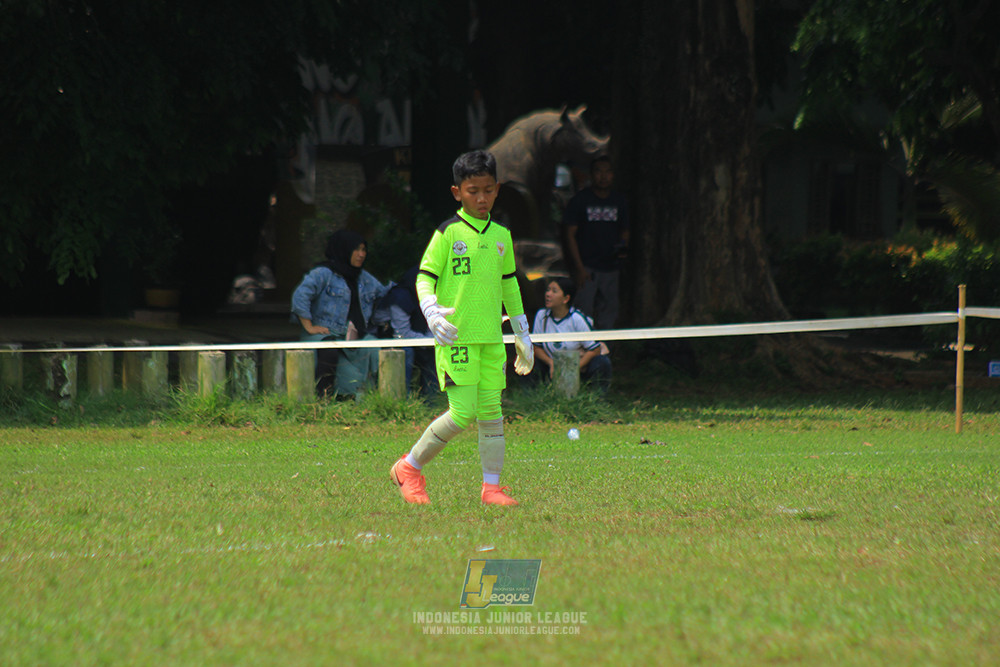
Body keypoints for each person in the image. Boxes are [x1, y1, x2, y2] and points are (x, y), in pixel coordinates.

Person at [388, 150, 534, 506]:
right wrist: (430, 310)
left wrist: (522, 332)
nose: (481, 198)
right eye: (473, 191)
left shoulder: (501, 236)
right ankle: (408, 467)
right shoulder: (447, 233)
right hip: (457, 339)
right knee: (462, 412)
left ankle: (492, 489)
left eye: (487, 190)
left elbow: (510, 284)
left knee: (491, 413)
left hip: (491, 341)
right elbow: (425, 277)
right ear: (457, 192)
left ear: (497, 189)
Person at [291, 229, 390, 398]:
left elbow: (386, 294)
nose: (361, 254)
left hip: (353, 336)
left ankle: (385, 399)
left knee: (378, 348)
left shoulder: (364, 277)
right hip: (325, 334)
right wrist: (309, 326)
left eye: (364, 250)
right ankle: (323, 400)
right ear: (344, 249)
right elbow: (300, 296)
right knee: (333, 355)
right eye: (356, 249)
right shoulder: (323, 273)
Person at [562, 155, 629, 330]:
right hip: (587, 268)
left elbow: (625, 230)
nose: (603, 176)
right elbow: (570, 234)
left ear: (613, 175)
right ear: (591, 174)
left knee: (609, 312)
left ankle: (603, 352)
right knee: (582, 314)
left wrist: (621, 254)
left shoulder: (619, 201)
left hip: (611, 268)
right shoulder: (581, 201)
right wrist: (579, 268)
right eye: (599, 171)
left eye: (608, 172)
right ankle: (582, 352)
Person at [531, 276, 611, 394]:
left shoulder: (577, 319)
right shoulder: (541, 316)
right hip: (551, 366)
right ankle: (533, 396)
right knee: (529, 361)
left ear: (566, 298)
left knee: (602, 362)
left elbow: (594, 349)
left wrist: (573, 369)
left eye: (554, 291)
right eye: (548, 290)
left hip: (579, 366)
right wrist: (551, 362)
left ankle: (596, 397)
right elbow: (536, 347)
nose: (548, 294)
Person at [375, 266, 439, 400]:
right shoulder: (399, 298)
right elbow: (403, 333)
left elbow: (430, 327)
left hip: (417, 338)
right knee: (406, 351)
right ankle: (403, 400)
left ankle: (432, 401)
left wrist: (432, 341)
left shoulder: (429, 298)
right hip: (391, 339)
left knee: (434, 351)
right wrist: (428, 341)